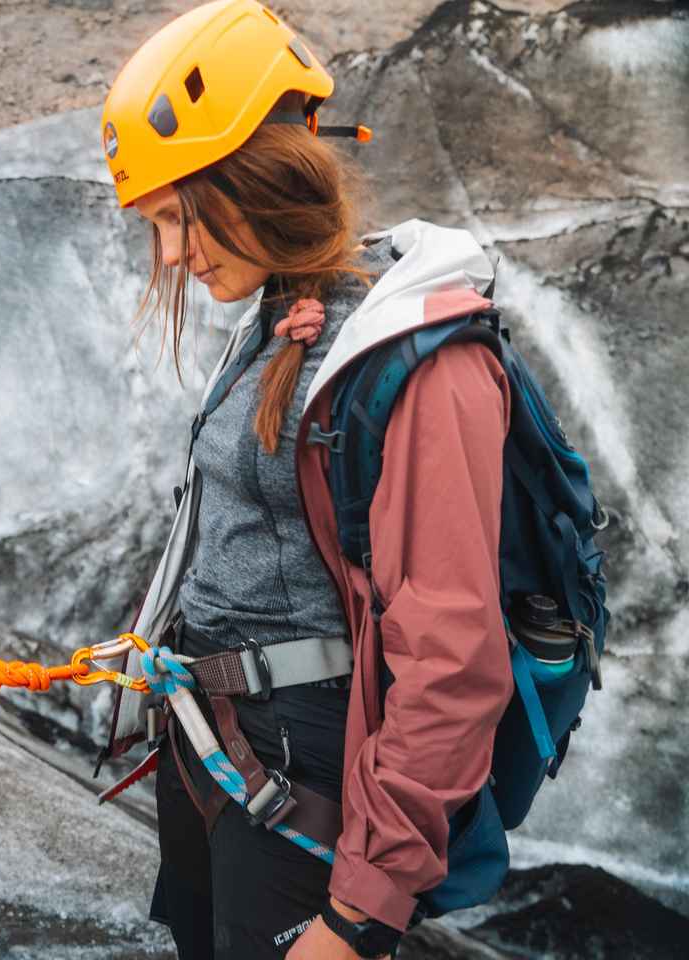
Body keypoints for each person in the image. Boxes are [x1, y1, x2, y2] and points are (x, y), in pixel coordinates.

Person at [97, 2, 515, 957]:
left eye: (176, 214)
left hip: (304, 783)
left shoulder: (415, 361)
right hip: (216, 747)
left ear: (255, 175)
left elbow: (451, 655)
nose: (170, 253)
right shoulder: (282, 321)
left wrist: (362, 908)